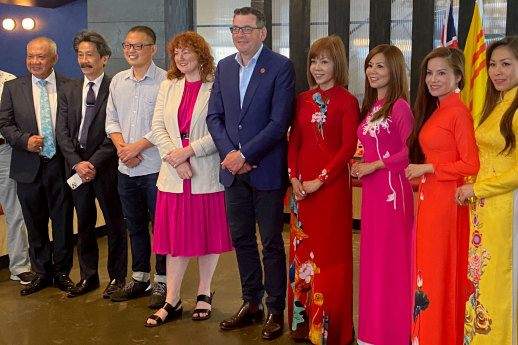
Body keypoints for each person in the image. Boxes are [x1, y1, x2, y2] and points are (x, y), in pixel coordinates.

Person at [206, 6, 295, 340]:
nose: (239, 34)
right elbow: (214, 116)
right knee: (241, 239)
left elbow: (279, 122)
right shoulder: (225, 67)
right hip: (233, 172)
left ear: (262, 32)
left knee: (271, 242)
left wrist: (245, 154)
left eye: (246, 28)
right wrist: (231, 155)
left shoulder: (280, 67)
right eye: (234, 29)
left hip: (266, 170)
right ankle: (251, 302)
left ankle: (275, 309)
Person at [144, 31, 233, 327]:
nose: (181, 58)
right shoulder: (169, 85)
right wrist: (175, 156)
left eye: (187, 52)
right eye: (177, 53)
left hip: (204, 172)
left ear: (201, 54)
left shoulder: (216, 85)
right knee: (173, 240)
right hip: (173, 175)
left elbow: (221, 129)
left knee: (207, 236)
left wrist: (188, 153)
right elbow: (157, 126)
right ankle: (172, 299)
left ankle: (204, 293)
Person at [287, 35, 359, 345]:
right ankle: (303, 325)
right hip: (302, 191)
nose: (318, 67)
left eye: (325, 61)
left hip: (330, 190)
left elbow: (347, 147)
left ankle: (330, 328)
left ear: (338, 64)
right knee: (302, 254)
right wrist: (294, 179)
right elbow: (294, 141)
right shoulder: (302, 99)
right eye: (314, 61)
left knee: (330, 257)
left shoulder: (347, 100)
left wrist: (322, 178)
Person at [405, 47, 480, 345]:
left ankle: (439, 336)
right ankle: (426, 334)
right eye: (429, 73)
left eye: (442, 73)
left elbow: (470, 164)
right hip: (430, 196)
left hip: (447, 200)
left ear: (458, 76)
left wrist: (428, 167)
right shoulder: (439, 109)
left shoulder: (458, 112)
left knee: (438, 270)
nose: (433, 79)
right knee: (427, 269)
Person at [0, 37, 75, 296]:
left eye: (40, 56)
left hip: (61, 165)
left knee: (63, 221)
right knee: (34, 222)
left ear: (53, 59)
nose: (34, 61)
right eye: (30, 56)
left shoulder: (69, 85)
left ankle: (63, 272)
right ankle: (42, 272)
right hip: (27, 164)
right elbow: (5, 123)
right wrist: (24, 141)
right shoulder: (12, 87)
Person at [456, 36, 518, 345]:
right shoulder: (497, 106)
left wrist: (478, 188)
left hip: (506, 208)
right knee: (481, 277)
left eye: (506, 64)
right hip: (483, 208)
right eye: (493, 64)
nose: (496, 71)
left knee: (499, 278)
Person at [56, 31, 127, 298]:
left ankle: (117, 278)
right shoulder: (69, 89)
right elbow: (61, 132)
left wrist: (92, 163)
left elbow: (116, 132)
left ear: (104, 58)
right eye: (80, 55)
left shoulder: (116, 87)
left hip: (106, 167)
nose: (84, 60)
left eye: (90, 55)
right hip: (76, 167)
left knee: (114, 224)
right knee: (84, 225)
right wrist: (77, 163)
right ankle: (89, 277)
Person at [351, 44, 414, 345]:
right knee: (374, 260)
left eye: (380, 66)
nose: (372, 72)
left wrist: (373, 164)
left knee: (392, 261)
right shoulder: (372, 107)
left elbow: (407, 152)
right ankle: (374, 330)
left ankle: (396, 332)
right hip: (373, 192)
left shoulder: (399, 106)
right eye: (370, 65)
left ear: (394, 71)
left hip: (392, 190)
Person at [105, 26, 167, 308]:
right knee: (135, 227)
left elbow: (166, 124)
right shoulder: (118, 80)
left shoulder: (166, 81)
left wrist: (137, 147)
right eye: (127, 45)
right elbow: (111, 120)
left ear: (153, 49)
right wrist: (123, 149)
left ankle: (163, 281)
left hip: (155, 168)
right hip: (126, 169)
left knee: (161, 227)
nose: (131, 50)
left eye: (138, 46)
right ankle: (140, 277)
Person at [0, 70, 34, 285]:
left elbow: (14, 120)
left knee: (15, 211)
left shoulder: (8, 81)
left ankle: (20, 266)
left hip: (4, 151)